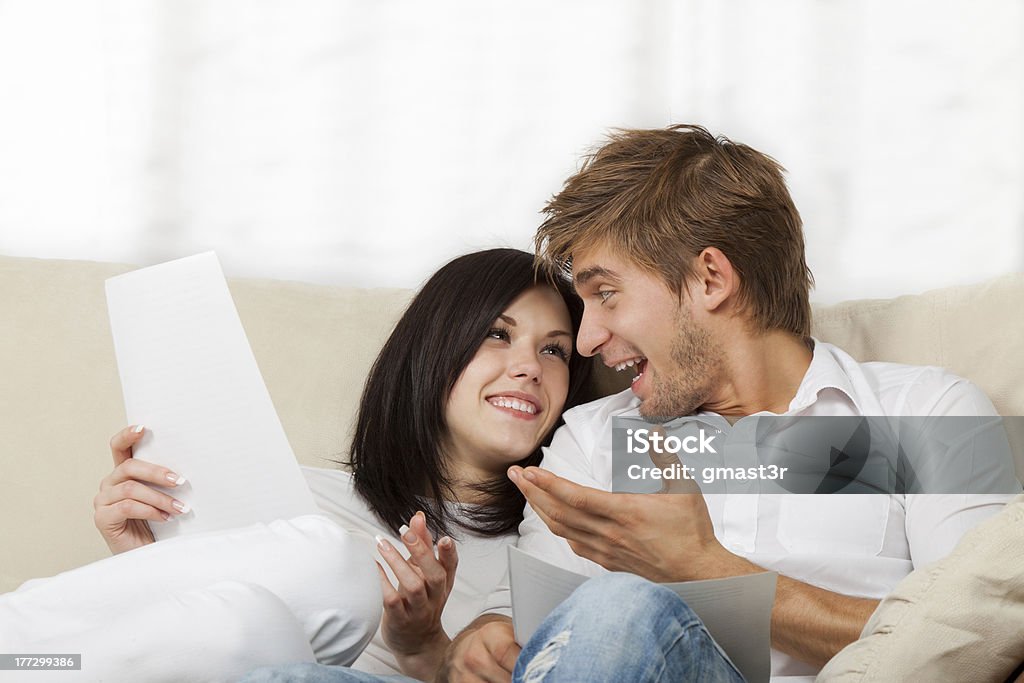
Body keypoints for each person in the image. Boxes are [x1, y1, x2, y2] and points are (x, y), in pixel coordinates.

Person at [438, 125, 1021, 682]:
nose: (586, 340)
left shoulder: (926, 413)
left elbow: (974, 645)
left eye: (607, 294)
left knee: (621, 607)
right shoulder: (592, 435)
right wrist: (486, 637)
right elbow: (535, 628)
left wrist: (701, 567)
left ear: (711, 279)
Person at [92, 248, 592, 681]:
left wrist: (428, 648)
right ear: (432, 351)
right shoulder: (294, 502)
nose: (530, 367)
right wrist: (145, 562)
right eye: (498, 335)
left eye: (555, 350)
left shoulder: (558, 549)